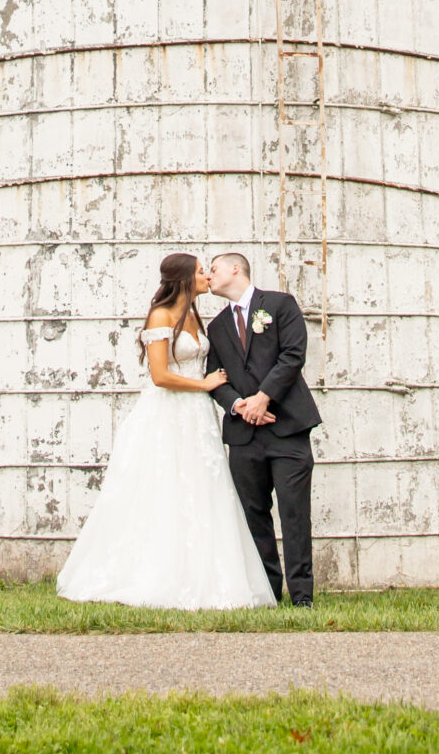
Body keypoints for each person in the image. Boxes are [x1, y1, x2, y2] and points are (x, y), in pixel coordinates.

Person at [55, 252, 277, 610]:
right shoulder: (161, 316)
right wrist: (204, 386)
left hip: (197, 416)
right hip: (169, 412)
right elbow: (159, 376)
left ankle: (204, 574)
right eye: (202, 271)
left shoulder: (194, 314)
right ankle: (153, 574)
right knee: (165, 485)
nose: (207, 276)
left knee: (203, 487)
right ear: (185, 278)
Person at [205, 251, 321, 606]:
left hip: (287, 428)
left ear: (235, 269)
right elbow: (215, 377)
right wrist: (239, 405)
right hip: (244, 435)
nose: (207, 276)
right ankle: (267, 593)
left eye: (213, 269)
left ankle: (302, 596)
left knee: (294, 513)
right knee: (254, 515)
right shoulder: (216, 327)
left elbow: (292, 355)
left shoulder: (280, 305)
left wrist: (263, 398)